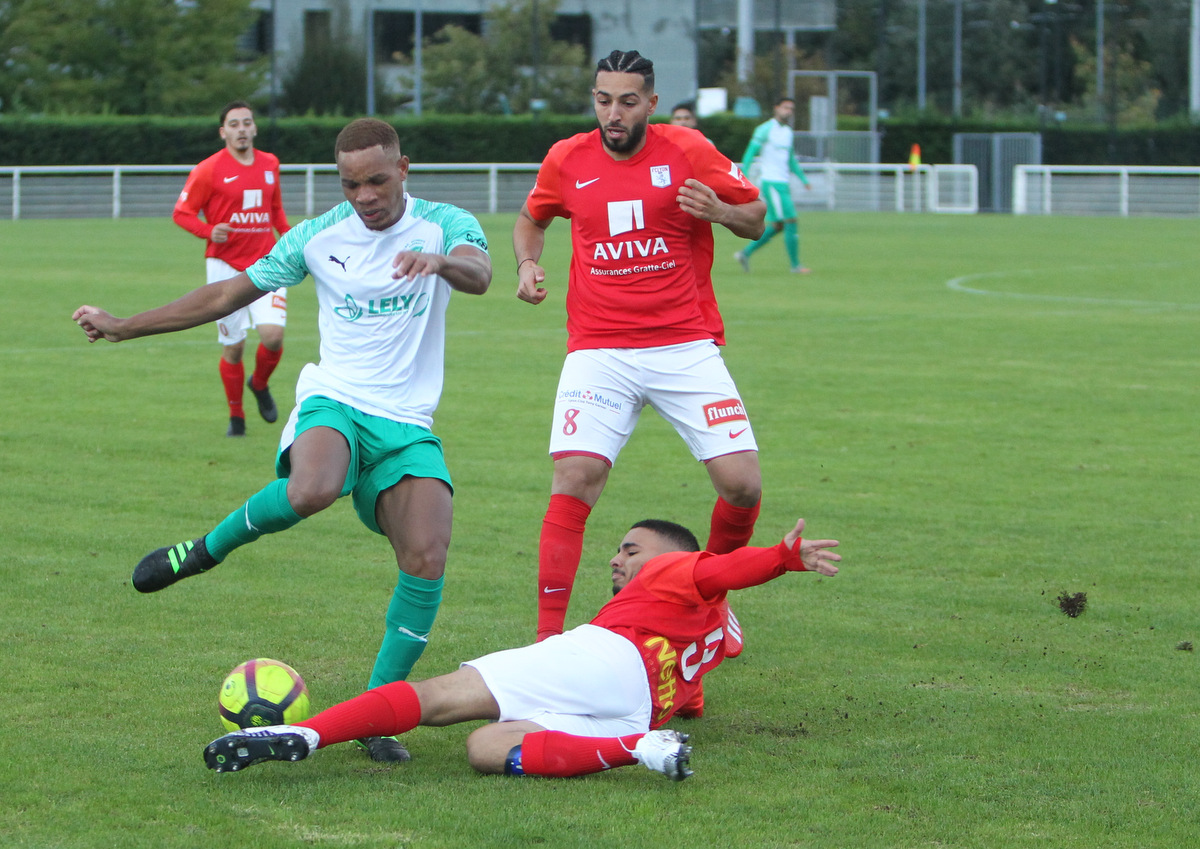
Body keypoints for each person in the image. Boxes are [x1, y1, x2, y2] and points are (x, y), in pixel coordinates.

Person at [73, 118, 492, 763]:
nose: (365, 196)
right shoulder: (318, 237)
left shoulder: (446, 222)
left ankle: (375, 712)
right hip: (337, 399)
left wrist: (440, 263)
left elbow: (480, 272)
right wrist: (126, 326)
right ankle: (204, 550)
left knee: (427, 556)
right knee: (313, 487)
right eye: (351, 183)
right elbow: (227, 292)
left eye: (377, 180)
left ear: (403, 169)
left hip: (408, 422)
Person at [202, 517, 841, 780]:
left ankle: (306, 737)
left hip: (607, 659)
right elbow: (702, 678)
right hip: (639, 712)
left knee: (440, 698)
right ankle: (638, 752)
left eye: (629, 548)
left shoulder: (671, 572)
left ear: (673, 556)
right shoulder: (715, 628)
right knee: (487, 749)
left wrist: (781, 559)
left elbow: (723, 570)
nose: (616, 559)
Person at [511, 51, 768, 701]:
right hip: (599, 347)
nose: (613, 113)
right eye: (602, 99)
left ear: (651, 104)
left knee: (741, 484)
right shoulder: (567, 158)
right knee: (575, 474)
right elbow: (532, 218)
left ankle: (713, 606)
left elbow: (757, 217)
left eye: (627, 101)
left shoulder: (688, 149)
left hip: (684, 343)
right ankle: (546, 643)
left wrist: (719, 210)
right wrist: (526, 263)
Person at [173, 100, 292, 437]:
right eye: (234, 124)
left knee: (273, 336)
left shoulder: (270, 163)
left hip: (267, 263)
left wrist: (291, 241)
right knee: (235, 346)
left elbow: (276, 211)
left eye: (247, 123)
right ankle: (236, 418)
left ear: (254, 128)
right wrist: (209, 231)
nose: (242, 129)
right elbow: (181, 213)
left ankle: (260, 383)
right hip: (225, 268)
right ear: (223, 131)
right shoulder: (208, 169)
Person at [734, 97, 813, 274]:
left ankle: (745, 254)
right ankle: (795, 266)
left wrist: (803, 179)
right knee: (791, 219)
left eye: (791, 109)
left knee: (778, 225)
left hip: (783, 183)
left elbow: (790, 159)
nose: (788, 111)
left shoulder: (788, 132)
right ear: (776, 108)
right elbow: (750, 153)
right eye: (785, 107)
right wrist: (743, 177)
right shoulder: (765, 129)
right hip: (771, 183)